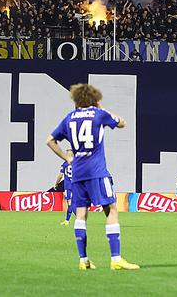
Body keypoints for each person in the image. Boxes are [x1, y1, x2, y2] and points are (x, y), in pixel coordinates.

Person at [47, 83, 139, 270]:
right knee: (111, 209)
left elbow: (50, 140)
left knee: (81, 214)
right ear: (95, 98)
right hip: (97, 171)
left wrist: (67, 157)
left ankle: (83, 260)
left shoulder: (69, 118)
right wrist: (102, 109)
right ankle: (116, 259)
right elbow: (122, 123)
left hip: (78, 172)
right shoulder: (99, 114)